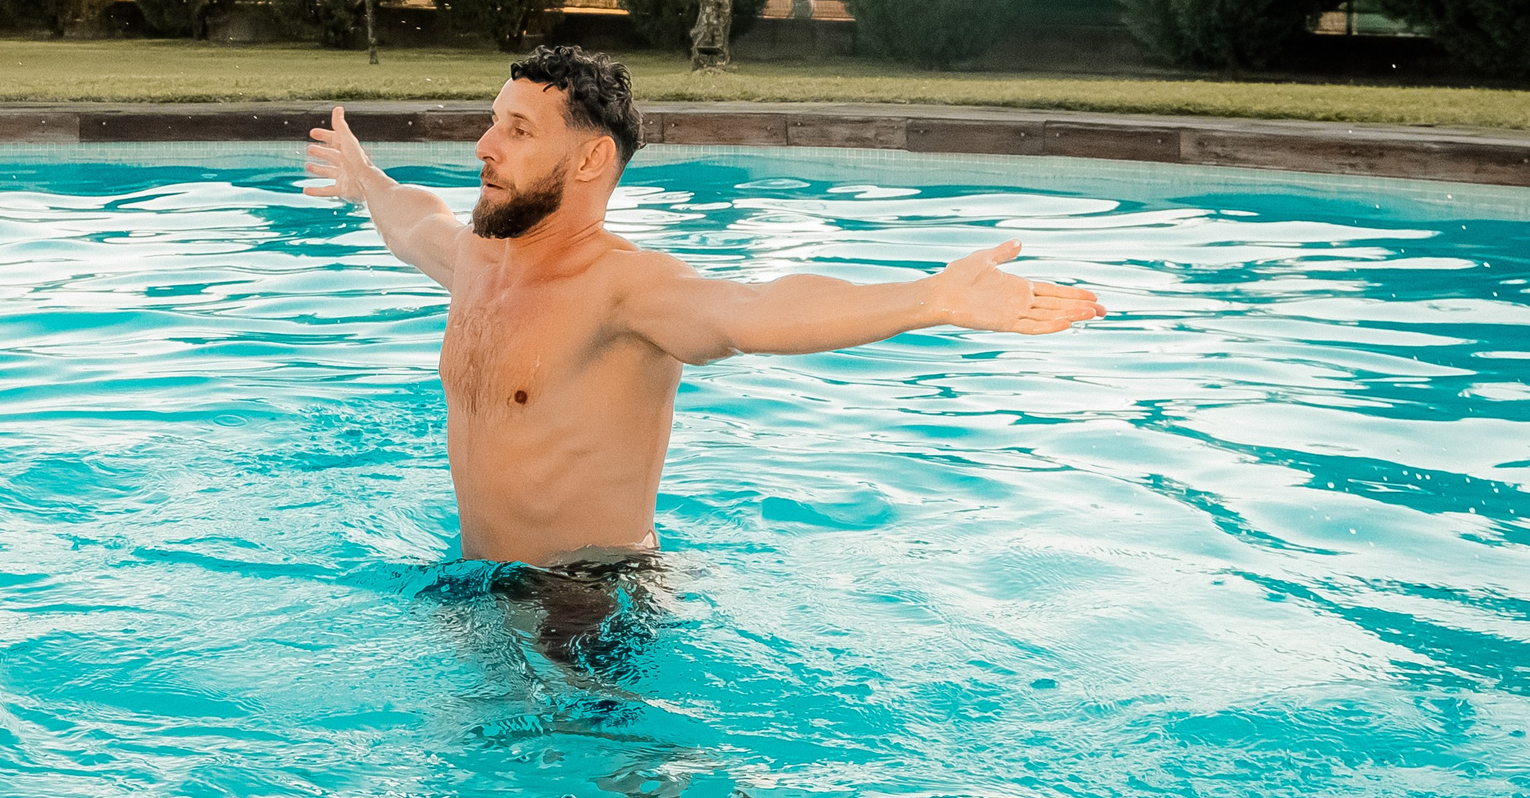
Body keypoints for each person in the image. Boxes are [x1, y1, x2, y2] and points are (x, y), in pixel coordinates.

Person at [301, 44, 1105, 581]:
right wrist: (364, 177)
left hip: (593, 608)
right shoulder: (478, 260)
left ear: (590, 157)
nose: (484, 144)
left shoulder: (626, 291)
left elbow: (756, 310)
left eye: (516, 129)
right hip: (481, 586)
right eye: (491, 121)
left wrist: (932, 297)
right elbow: (413, 221)